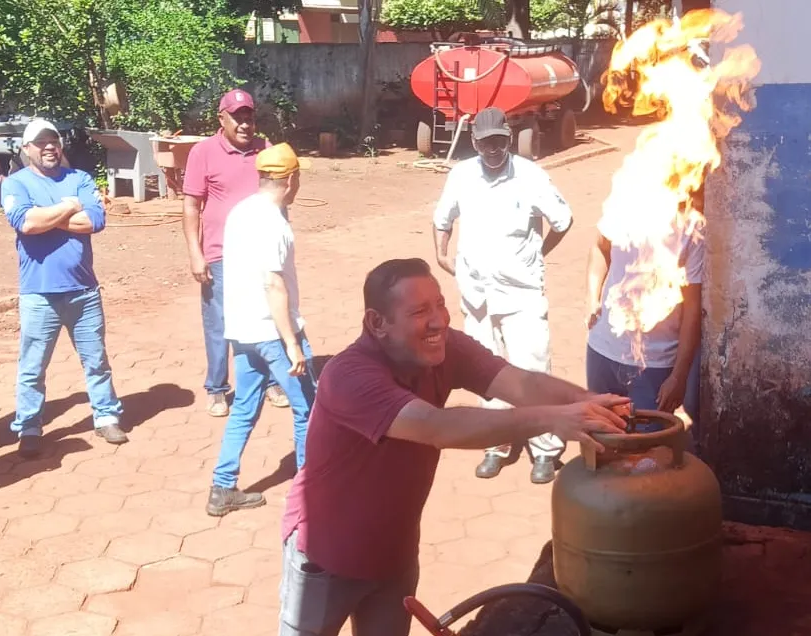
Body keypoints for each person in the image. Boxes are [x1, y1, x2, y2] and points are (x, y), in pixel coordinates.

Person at [278, 257, 629, 636]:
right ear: (377, 323)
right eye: (419, 311)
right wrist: (555, 419)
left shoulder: (445, 348)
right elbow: (438, 427)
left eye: (440, 304)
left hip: (393, 554)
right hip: (326, 557)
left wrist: (591, 402)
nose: (439, 320)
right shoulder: (348, 377)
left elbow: (521, 384)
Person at [433, 107, 574, 484]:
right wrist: (442, 254)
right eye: (485, 141)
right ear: (474, 141)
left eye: (499, 140)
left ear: (509, 139)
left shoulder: (530, 176)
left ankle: (545, 449)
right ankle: (497, 444)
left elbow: (563, 220)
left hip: (521, 290)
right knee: (486, 371)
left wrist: (538, 255)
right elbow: (442, 219)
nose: (492, 148)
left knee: (532, 371)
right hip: (477, 292)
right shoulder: (461, 174)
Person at [1, 118, 126, 459]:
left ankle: (106, 415)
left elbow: (95, 221)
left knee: (96, 359)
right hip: (39, 293)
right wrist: (70, 206)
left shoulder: (80, 179)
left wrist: (48, 217)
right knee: (32, 367)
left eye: (53, 140)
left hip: (83, 290)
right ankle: (28, 426)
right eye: (40, 142)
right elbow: (26, 223)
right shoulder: (15, 184)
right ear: (26, 150)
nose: (48, 147)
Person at [207, 143, 316, 517]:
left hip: (242, 329)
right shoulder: (273, 224)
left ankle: (222, 488)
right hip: (272, 329)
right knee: (309, 408)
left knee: (244, 410)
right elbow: (273, 284)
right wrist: (292, 343)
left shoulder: (242, 211)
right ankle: (309, 489)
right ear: (290, 179)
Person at [182, 88, 290, 418]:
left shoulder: (266, 150)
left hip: (260, 254)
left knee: (266, 316)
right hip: (220, 253)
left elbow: (281, 198)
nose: (245, 124)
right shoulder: (203, 152)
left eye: (249, 117)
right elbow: (190, 206)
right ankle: (217, 388)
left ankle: (269, 380)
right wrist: (195, 254)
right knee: (220, 324)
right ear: (222, 119)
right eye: (237, 117)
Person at [584, 220, 703, 432]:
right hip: (601, 351)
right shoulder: (622, 205)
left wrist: (678, 376)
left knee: (647, 455)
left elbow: (693, 308)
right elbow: (600, 248)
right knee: (601, 441)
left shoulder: (691, 226)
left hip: (654, 364)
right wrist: (592, 298)